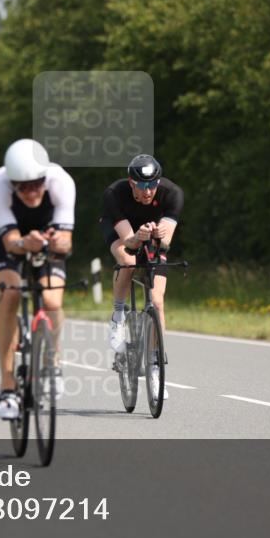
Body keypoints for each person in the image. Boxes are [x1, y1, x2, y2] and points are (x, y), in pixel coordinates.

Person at [0, 139, 75, 420]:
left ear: (45, 178)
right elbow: (10, 242)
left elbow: (67, 242)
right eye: (22, 187)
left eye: (37, 184)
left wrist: (57, 242)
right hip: (10, 239)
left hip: (48, 236)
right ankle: (7, 386)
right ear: (12, 184)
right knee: (10, 293)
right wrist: (25, 243)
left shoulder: (61, 181)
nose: (31, 192)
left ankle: (52, 360)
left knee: (51, 300)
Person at [99, 154, 183, 398]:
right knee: (127, 261)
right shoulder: (114, 193)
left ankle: (155, 368)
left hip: (152, 234)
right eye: (142, 185)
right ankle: (118, 315)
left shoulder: (172, 193)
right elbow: (128, 242)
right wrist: (138, 237)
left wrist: (157, 236)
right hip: (121, 230)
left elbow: (166, 242)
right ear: (131, 182)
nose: (148, 191)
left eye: (153, 184)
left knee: (157, 302)